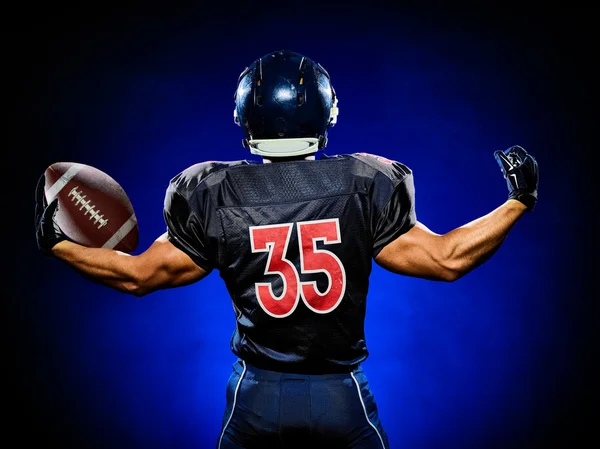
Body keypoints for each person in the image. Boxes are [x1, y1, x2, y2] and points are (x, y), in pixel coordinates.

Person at [34, 50, 539, 449]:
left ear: (243, 116)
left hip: (255, 396)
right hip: (341, 396)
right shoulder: (363, 182)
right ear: (326, 112)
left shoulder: (212, 192)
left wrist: (58, 245)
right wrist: (517, 202)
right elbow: (447, 259)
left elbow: (139, 276)